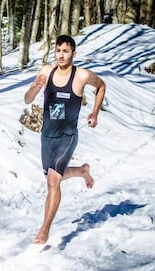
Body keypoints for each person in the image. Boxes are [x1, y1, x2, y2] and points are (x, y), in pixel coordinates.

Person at [24, 35, 106, 244]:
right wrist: (36, 87)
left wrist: (95, 113)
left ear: (73, 53)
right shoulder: (46, 71)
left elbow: (101, 86)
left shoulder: (82, 75)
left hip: (67, 137)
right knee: (53, 176)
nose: (61, 55)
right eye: (58, 50)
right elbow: (27, 99)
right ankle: (81, 171)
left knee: (53, 180)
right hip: (47, 136)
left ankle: (44, 230)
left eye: (65, 51)